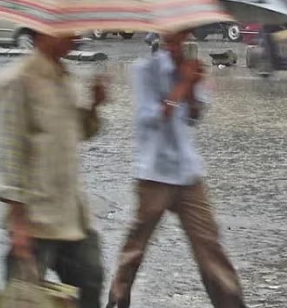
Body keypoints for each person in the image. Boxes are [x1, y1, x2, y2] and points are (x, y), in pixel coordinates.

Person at [106, 30, 247, 308]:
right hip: (154, 174)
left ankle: (231, 303)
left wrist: (194, 88)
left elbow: (194, 117)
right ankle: (117, 301)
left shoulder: (190, 68)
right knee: (135, 247)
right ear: (159, 41)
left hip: (187, 172)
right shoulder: (145, 70)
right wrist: (180, 87)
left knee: (209, 245)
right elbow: (149, 119)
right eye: (171, 41)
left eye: (182, 40)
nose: (177, 46)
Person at [0, 32, 108, 308]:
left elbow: (79, 131)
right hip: (34, 219)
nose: (74, 36)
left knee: (91, 281)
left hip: (72, 215)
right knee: (24, 297)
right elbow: (10, 155)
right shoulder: (17, 81)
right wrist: (19, 226)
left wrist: (94, 104)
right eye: (66, 31)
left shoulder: (64, 77)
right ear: (45, 35)